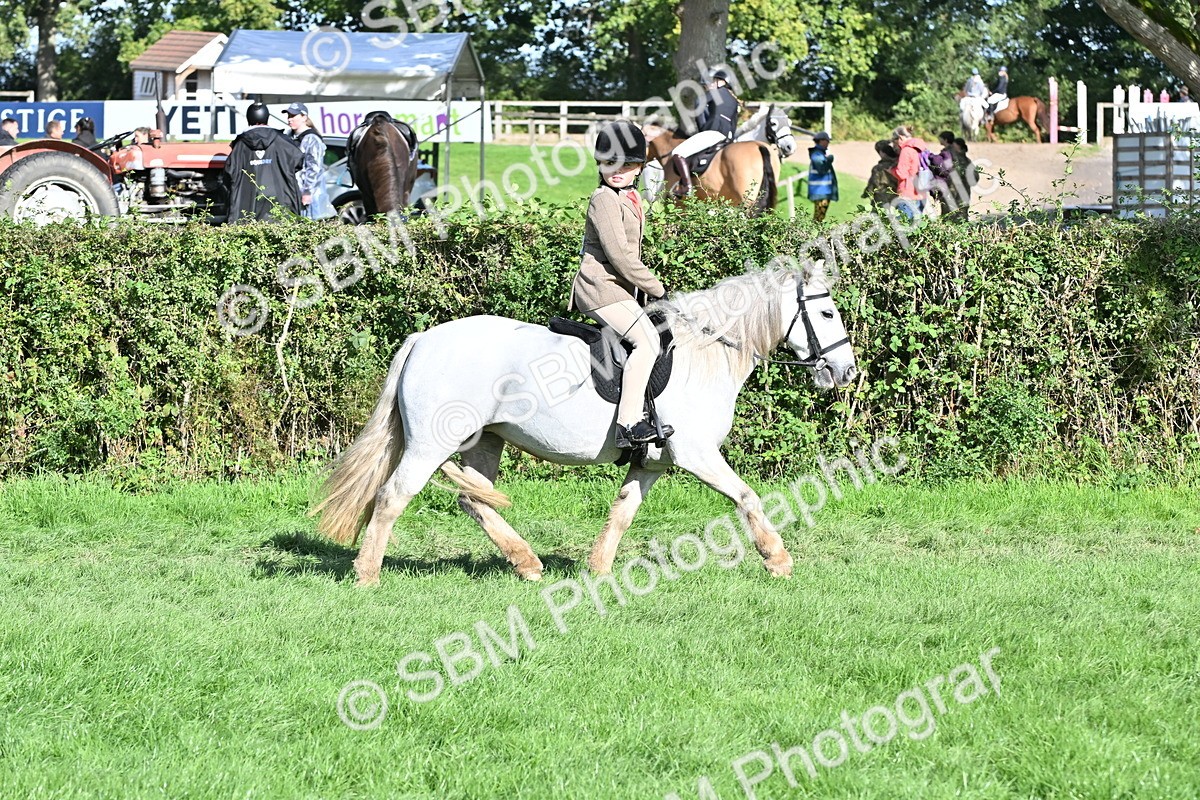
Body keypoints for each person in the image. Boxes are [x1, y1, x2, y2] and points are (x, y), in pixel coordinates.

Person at [568, 120, 673, 450]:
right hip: (599, 288)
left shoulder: (628, 197)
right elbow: (620, 256)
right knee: (646, 341)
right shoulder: (604, 199)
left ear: (639, 168)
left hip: (619, 289)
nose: (618, 170)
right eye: (610, 162)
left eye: (627, 164)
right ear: (599, 163)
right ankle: (629, 424)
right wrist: (659, 290)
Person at [221, 102, 302, 223]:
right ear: (267, 117)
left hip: (246, 206)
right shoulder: (283, 141)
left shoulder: (240, 145)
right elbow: (298, 161)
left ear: (249, 119)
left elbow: (229, 173)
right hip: (282, 201)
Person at [672, 69, 740, 196]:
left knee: (677, 153)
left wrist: (702, 128)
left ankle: (687, 187)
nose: (712, 84)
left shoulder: (715, 92)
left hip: (712, 133)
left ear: (721, 82)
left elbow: (699, 103)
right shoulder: (735, 101)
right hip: (728, 137)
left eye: (715, 81)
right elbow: (734, 123)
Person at [285, 102, 335, 220]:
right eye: (288, 116)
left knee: (310, 226)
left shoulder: (311, 139)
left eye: (293, 116)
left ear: (304, 117)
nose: (289, 119)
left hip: (310, 197)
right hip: (293, 192)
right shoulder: (290, 136)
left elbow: (314, 168)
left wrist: (307, 192)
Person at [891, 125, 929, 221]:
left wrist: (891, 170)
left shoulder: (906, 150)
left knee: (904, 225)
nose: (896, 144)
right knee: (916, 227)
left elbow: (901, 174)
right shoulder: (922, 147)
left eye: (895, 141)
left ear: (900, 137)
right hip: (921, 192)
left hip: (908, 193)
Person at [806, 131, 838, 223]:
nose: (828, 143)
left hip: (823, 191)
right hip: (820, 192)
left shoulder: (819, 153)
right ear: (822, 141)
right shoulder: (816, 154)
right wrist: (829, 160)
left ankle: (816, 234)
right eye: (827, 140)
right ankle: (815, 235)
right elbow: (822, 169)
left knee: (820, 217)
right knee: (818, 217)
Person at [862, 139, 900, 209]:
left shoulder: (878, 168)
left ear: (882, 153)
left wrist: (865, 194)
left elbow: (873, 185)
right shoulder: (900, 165)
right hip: (898, 200)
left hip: (882, 200)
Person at [930, 131, 958, 218]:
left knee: (947, 207)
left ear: (945, 139)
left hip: (950, 182)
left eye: (940, 138)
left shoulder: (947, 152)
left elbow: (946, 168)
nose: (939, 140)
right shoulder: (955, 150)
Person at [951, 137, 978, 216]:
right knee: (963, 213)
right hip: (965, 190)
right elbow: (975, 178)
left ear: (958, 146)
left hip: (957, 190)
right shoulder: (967, 160)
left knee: (955, 214)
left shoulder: (956, 160)